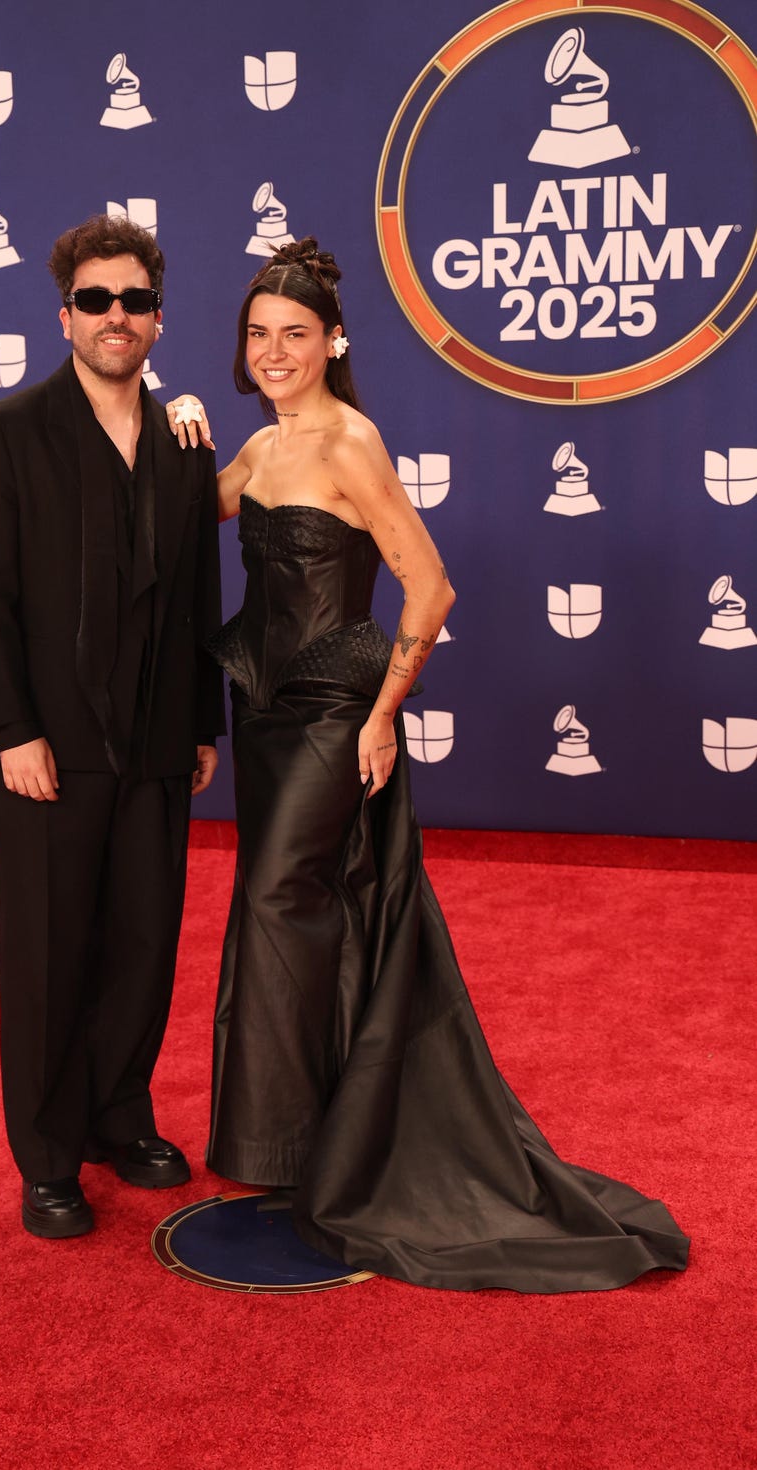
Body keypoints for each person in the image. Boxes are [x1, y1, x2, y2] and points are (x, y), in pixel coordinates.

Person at [168, 238, 689, 1292]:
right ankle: (308, 1141)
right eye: (258, 336)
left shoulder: (350, 443)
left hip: (331, 710)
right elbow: (191, 514)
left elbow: (429, 587)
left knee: (278, 902)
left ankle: (294, 1152)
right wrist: (183, 426)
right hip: (261, 709)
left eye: (295, 336)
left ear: (334, 341)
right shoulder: (266, 447)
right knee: (300, 913)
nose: (273, 353)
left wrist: (380, 715)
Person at [0, 214, 224, 1239]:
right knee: (52, 953)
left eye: (135, 301)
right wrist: (9, 729)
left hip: (154, 747)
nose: (117, 317)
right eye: (97, 301)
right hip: (45, 753)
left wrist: (201, 724)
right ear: (65, 315)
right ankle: (49, 1156)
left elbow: (196, 592)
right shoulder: (8, 432)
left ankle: (119, 1117)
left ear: (158, 317)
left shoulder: (181, 441)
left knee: (143, 946)